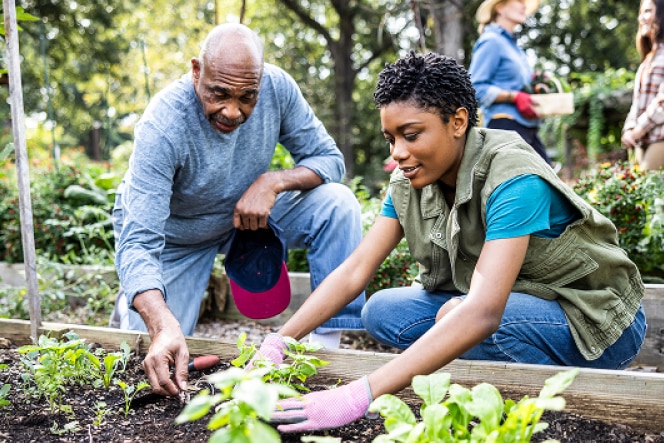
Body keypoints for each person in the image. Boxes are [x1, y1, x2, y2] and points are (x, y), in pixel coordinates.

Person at [256, 52, 646, 433]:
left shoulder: (513, 175)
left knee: (468, 321)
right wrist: (280, 340)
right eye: (391, 138)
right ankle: (487, 370)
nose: (398, 153)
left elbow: (482, 313)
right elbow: (356, 270)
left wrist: (361, 393)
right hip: (516, 302)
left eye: (411, 135)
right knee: (382, 311)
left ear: (458, 121)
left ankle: (562, 404)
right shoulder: (410, 181)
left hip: (595, 321)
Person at [112, 23, 365, 396]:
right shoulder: (163, 124)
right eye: (219, 94)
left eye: (248, 97)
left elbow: (329, 159)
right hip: (177, 237)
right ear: (197, 71)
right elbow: (137, 243)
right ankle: (130, 312)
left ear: (261, 81)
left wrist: (272, 181)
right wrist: (161, 323)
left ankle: (326, 353)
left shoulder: (277, 88)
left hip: (247, 219)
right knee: (146, 361)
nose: (232, 111)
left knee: (338, 203)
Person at [468, 0, 552, 165]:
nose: (524, 5)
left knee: (550, 183)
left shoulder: (513, 47)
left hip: (526, 128)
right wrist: (513, 97)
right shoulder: (491, 41)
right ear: (500, 8)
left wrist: (535, 82)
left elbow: (517, 85)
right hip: (505, 127)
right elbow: (475, 89)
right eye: (519, 0)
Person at [622, 0, 664, 170]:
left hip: (660, 136)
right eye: (641, 12)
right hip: (642, 138)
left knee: (646, 188)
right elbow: (637, 102)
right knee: (638, 191)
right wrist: (629, 129)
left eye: (648, 11)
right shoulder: (648, 59)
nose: (642, 18)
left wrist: (638, 129)